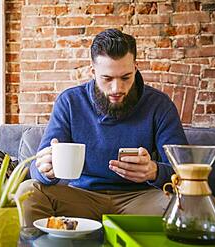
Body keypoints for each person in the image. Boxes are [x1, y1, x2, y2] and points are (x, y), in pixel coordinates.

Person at [21, 28, 188, 226]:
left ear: (135, 68)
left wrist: (154, 172)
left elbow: (185, 172)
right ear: (93, 72)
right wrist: (45, 171)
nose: (117, 89)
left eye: (125, 77)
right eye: (107, 79)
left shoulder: (159, 105)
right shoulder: (70, 102)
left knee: (188, 202)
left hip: (141, 198)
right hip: (80, 197)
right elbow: (38, 167)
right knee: (27, 191)